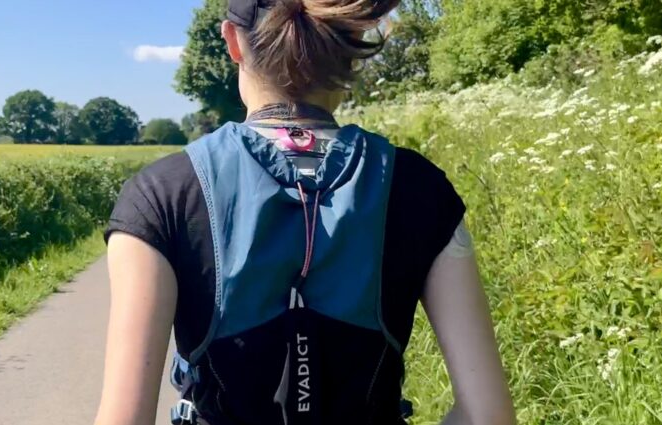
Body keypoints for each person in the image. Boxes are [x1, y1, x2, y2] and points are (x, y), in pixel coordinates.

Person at [95, 0, 517, 424]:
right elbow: (489, 416)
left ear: (232, 41)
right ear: (351, 44)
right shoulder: (421, 188)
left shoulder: (161, 194)